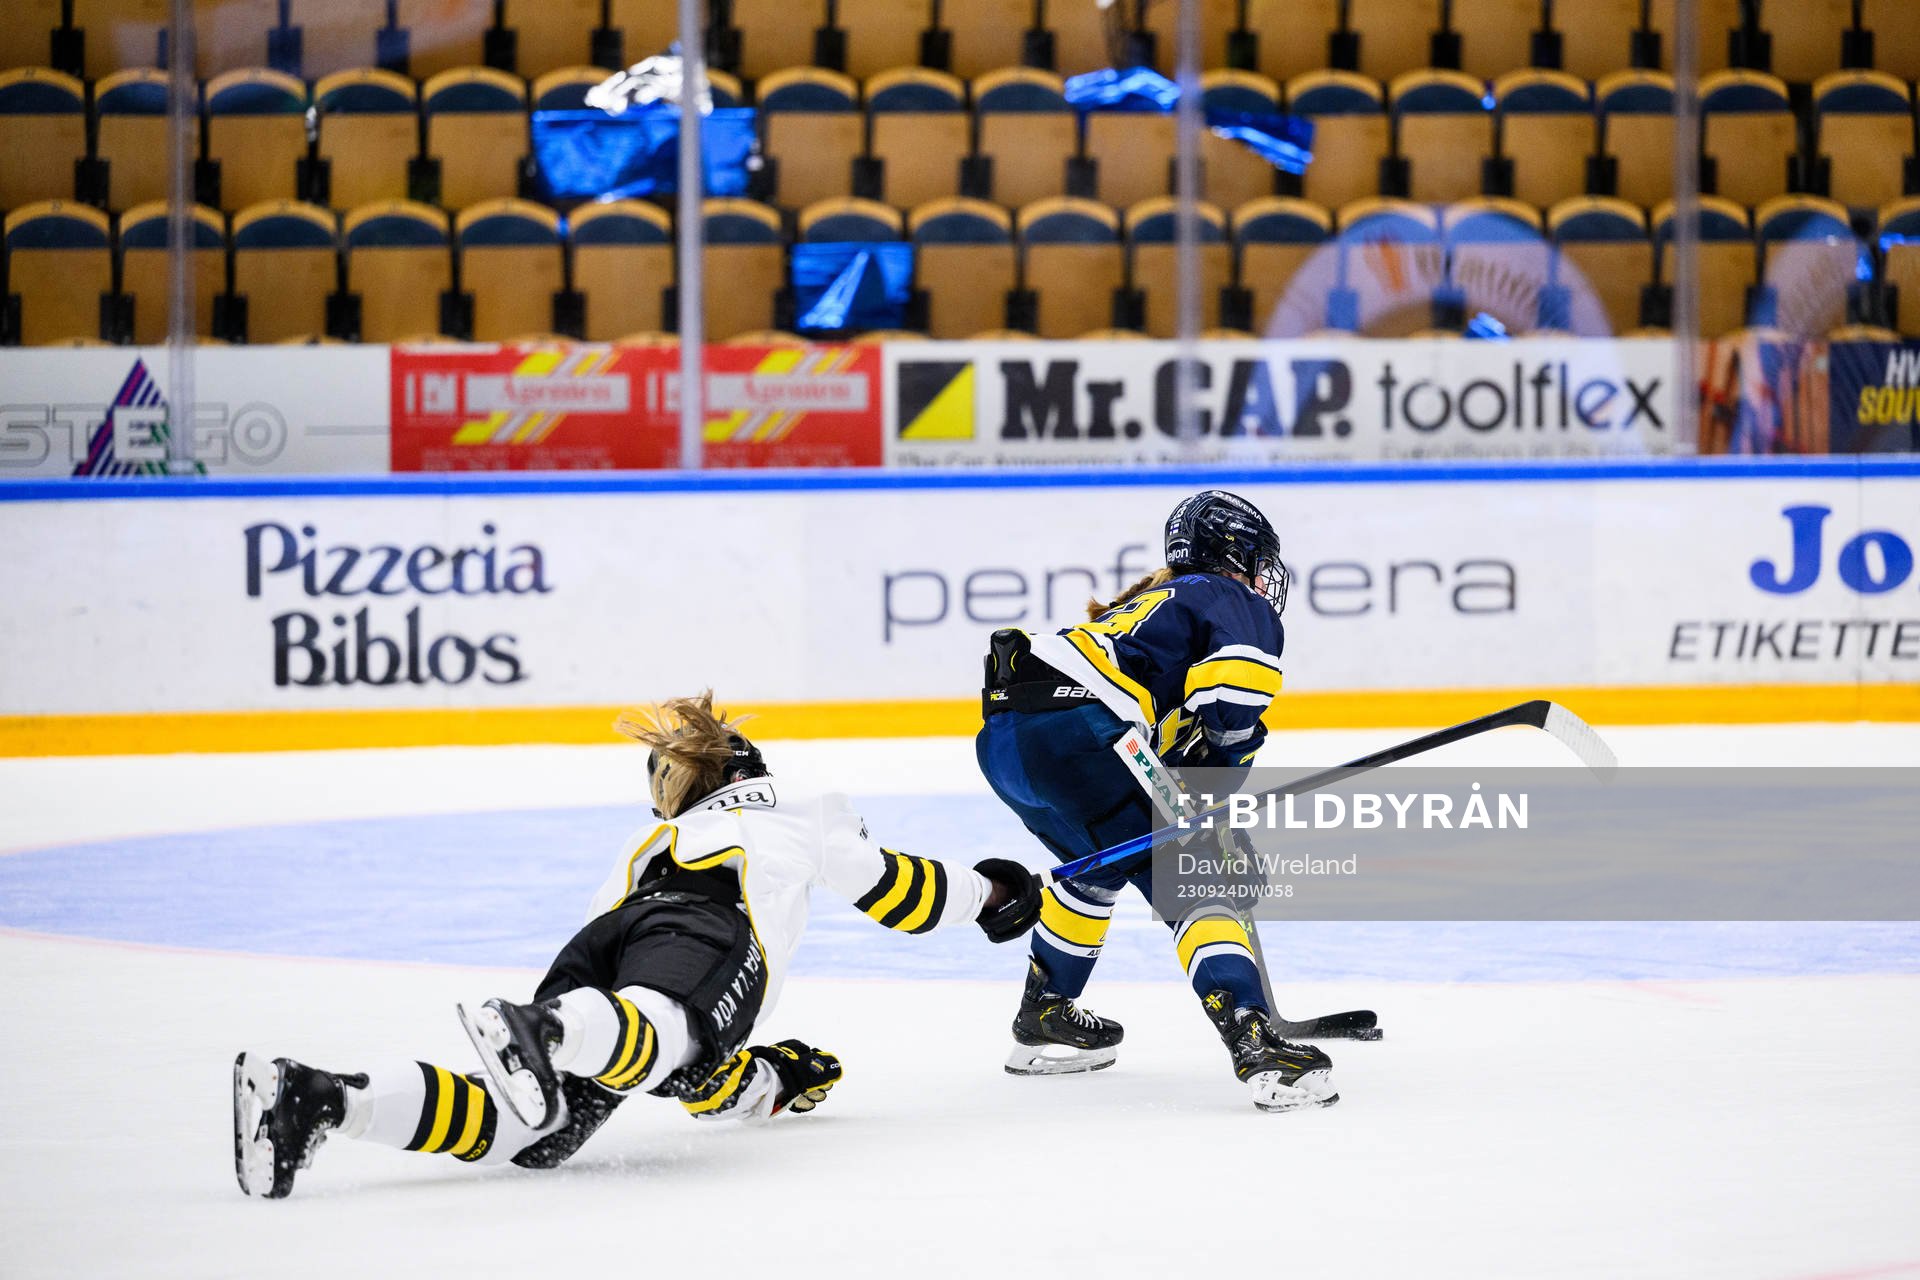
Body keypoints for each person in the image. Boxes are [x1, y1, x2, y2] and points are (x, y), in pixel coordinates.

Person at [233, 692, 1043, 1198]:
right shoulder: (794, 800)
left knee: (539, 1133)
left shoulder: (648, 841)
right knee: (666, 1027)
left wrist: (765, 1081)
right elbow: (890, 888)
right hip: (705, 924)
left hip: (607, 948)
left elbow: (672, 1061)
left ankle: (318, 1098)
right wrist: (990, 895)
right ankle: (542, 1031)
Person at [974, 489, 1336, 1112]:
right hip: (1082, 729)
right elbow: (1234, 701)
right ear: (1236, 556)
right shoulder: (1228, 597)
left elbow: (1170, 759)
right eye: (1257, 563)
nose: (1261, 580)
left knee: (1101, 864)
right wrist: (1212, 822)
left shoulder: (1150, 606)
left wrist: (1207, 811)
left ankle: (1046, 1014)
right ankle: (1255, 1043)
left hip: (1006, 739)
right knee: (1198, 879)